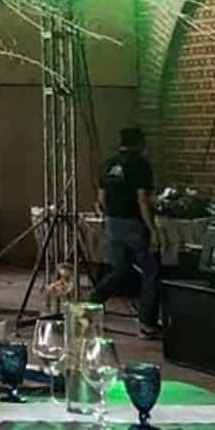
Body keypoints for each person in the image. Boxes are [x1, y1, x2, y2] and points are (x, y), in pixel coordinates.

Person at [92, 126, 161, 338]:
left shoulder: (107, 165)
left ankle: (93, 299)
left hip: (112, 224)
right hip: (133, 224)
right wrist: (153, 229)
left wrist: (109, 217)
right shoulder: (140, 164)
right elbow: (142, 199)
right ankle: (147, 323)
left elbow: (100, 200)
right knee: (151, 272)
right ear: (140, 143)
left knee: (121, 268)